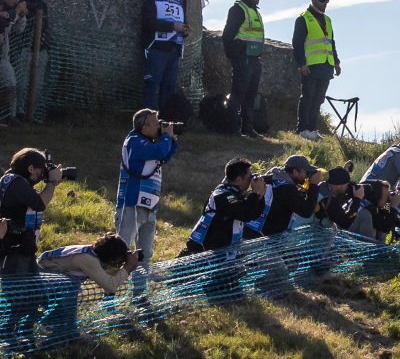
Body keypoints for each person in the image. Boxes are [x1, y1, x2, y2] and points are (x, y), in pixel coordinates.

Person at [36, 232, 138, 340]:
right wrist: (128, 266)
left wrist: (126, 267)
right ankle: (65, 332)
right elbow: (110, 286)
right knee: (69, 293)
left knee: (68, 296)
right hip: (41, 278)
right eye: (118, 258)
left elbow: (108, 275)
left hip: (53, 278)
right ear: (111, 256)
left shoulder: (93, 254)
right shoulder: (87, 259)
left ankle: (63, 329)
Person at [115, 108, 178, 268]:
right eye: (156, 124)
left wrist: (172, 139)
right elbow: (160, 151)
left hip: (150, 207)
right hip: (132, 205)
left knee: (145, 255)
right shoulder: (134, 141)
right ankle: (109, 283)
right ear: (144, 127)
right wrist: (166, 136)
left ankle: (140, 285)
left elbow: (165, 155)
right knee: (120, 252)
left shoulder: (150, 144)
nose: (159, 126)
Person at [182, 159, 266, 255]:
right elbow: (244, 213)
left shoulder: (234, 194)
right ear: (239, 179)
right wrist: (255, 193)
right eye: (250, 177)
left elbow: (253, 214)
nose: (251, 180)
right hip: (201, 253)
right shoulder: (221, 195)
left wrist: (260, 196)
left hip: (221, 251)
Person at [293, 0, 340, 140]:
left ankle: (312, 129)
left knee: (319, 99)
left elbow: (331, 43)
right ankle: (302, 129)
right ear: (313, 0)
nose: (325, 3)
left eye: (327, 0)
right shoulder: (303, 19)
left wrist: (336, 62)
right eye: (322, 0)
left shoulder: (328, 20)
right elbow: (297, 43)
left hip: (326, 65)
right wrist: (302, 64)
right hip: (311, 65)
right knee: (308, 97)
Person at [221, 0, 266, 138]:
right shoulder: (238, 9)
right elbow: (227, 35)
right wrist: (235, 52)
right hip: (242, 58)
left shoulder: (254, 11)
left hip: (254, 58)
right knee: (238, 93)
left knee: (251, 94)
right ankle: (232, 128)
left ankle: (247, 127)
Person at [0, 148, 57, 272]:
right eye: (42, 170)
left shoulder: (12, 181)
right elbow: (39, 204)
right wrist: (52, 182)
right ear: (31, 169)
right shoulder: (16, 183)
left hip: (17, 246)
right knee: (22, 284)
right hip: (13, 251)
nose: (43, 174)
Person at [140, 0, 189, 110]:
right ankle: (147, 119)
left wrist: (185, 30)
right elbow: (148, 23)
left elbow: (182, 21)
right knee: (152, 84)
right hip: (157, 47)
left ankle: (165, 119)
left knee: (169, 87)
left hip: (175, 48)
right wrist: (172, 26)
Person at [243, 155, 318, 239]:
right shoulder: (288, 189)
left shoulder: (272, 178)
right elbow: (306, 211)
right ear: (295, 172)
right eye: (306, 172)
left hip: (251, 232)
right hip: (265, 239)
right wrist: (314, 185)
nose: (307, 176)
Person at [14, 0, 47, 121]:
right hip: (23, 48)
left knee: (38, 85)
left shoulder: (42, 5)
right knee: (21, 83)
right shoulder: (21, 2)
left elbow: (45, 26)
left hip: (40, 49)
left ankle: (32, 114)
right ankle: (19, 113)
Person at [318, 167, 376, 240]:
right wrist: (357, 199)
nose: (347, 188)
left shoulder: (322, 187)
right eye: (346, 185)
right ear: (339, 185)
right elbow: (345, 223)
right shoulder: (327, 199)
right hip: (314, 239)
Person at [0, 0, 20, 127]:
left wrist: (20, 16)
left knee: (10, 83)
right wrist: (16, 13)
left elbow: (17, 28)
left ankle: (9, 115)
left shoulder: (8, 15)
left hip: (2, 57)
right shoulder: (6, 13)